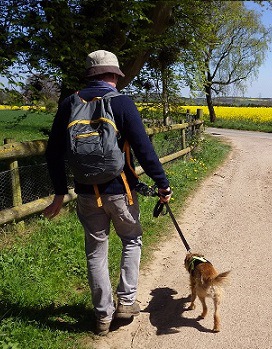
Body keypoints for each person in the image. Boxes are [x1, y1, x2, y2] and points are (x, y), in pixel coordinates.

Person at [44, 50, 172, 336]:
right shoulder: (122, 103)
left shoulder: (69, 104)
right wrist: (162, 184)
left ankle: (103, 316)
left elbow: (53, 152)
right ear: (114, 75)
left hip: (87, 194)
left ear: (90, 74)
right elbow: (144, 150)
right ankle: (126, 302)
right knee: (132, 239)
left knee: (95, 252)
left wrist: (58, 193)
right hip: (121, 191)